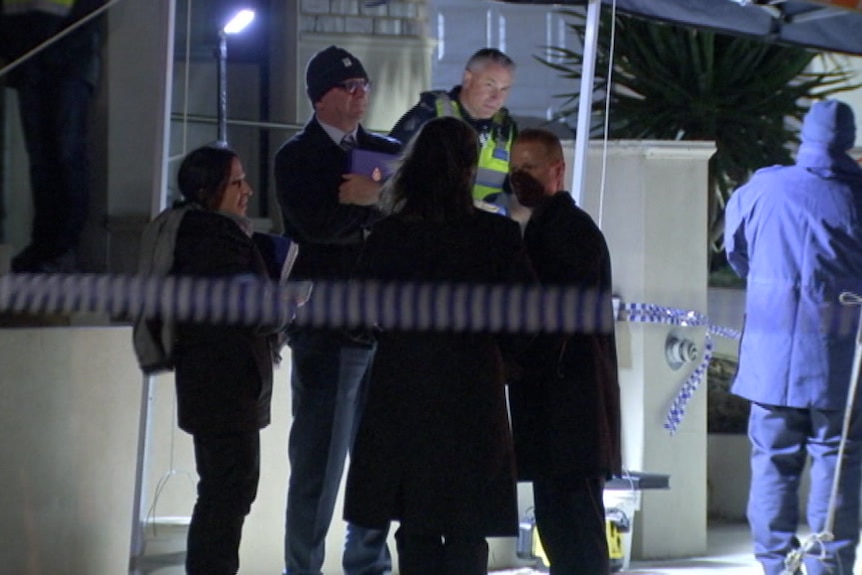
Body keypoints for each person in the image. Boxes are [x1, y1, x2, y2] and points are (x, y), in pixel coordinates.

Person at [343, 116, 533, 575]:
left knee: (416, 523)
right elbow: (525, 322)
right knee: (468, 526)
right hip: (473, 389)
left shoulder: (389, 236)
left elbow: (358, 317)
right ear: (470, 169)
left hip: (403, 388)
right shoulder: (497, 237)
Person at [274, 45, 400, 575]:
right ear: (319, 97)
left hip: (384, 324)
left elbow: (405, 221)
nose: (360, 96)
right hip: (327, 328)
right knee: (318, 466)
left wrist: (368, 203)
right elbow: (318, 229)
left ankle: (368, 561)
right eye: (348, 88)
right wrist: (374, 209)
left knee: (377, 460)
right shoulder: (297, 156)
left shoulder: (387, 151)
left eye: (364, 87)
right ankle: (303, 567)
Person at [134, 145, 288, 575]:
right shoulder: (213, 240)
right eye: (237, 181)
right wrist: (283, 306)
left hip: (214, 386)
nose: (248, 190)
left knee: (226, 490)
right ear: (208, 190)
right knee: (228, 493)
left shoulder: (193, 233)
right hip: (227, 387)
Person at [724, 99, 862, 575]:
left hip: (769, 355)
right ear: (848, 142)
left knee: (772, 463)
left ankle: (776, 565)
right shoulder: (858, 194)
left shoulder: (761, 188)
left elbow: (736, 254)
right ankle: (827, 565)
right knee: (836, 459)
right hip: (836, 359)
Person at [507, 128, 622, 575]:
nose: (520, 177)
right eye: (515, 169)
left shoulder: (570, 231)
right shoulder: (544, 226)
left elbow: (556, 318)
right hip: (555, 408)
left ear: (557, 170)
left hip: (570, 408)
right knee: (559, 526)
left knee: (575, 529)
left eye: (530, 168)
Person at [0, 0, 104, 273]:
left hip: (68, 60)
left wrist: (62, 48)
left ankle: (63, 248)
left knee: (65, 154)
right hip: (29, 60)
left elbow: (92, 6)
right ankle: (44, 245)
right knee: (42, 159)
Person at [389, 48, 517, 208]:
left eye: (504, 89)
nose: (496, 97)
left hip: (481, 227)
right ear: (467, 79)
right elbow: (388, 172)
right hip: (429, 224)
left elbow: (517, 194)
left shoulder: (505, 130)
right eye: (490, 85)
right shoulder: (429, 114)